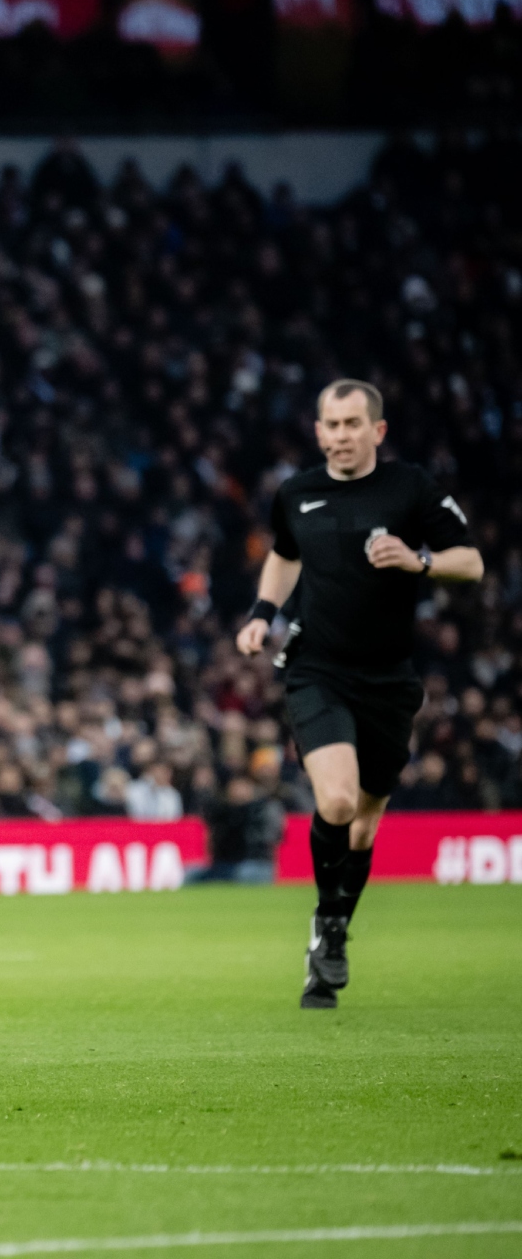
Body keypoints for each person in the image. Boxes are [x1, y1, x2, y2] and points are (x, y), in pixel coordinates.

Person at [236, 379, 482, 1008]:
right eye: (331, 424)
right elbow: (285, 554)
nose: (340, 436)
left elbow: (471, 562)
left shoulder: (411, 489)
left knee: (366, 828)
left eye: (352, 424)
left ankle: (333, 933)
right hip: (317, 668)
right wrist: (264, 611)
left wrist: (419, 561)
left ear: (377, 431)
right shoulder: (297, 493)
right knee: (339, 801)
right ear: (318, 430)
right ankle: (328, 923)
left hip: (388, 681)